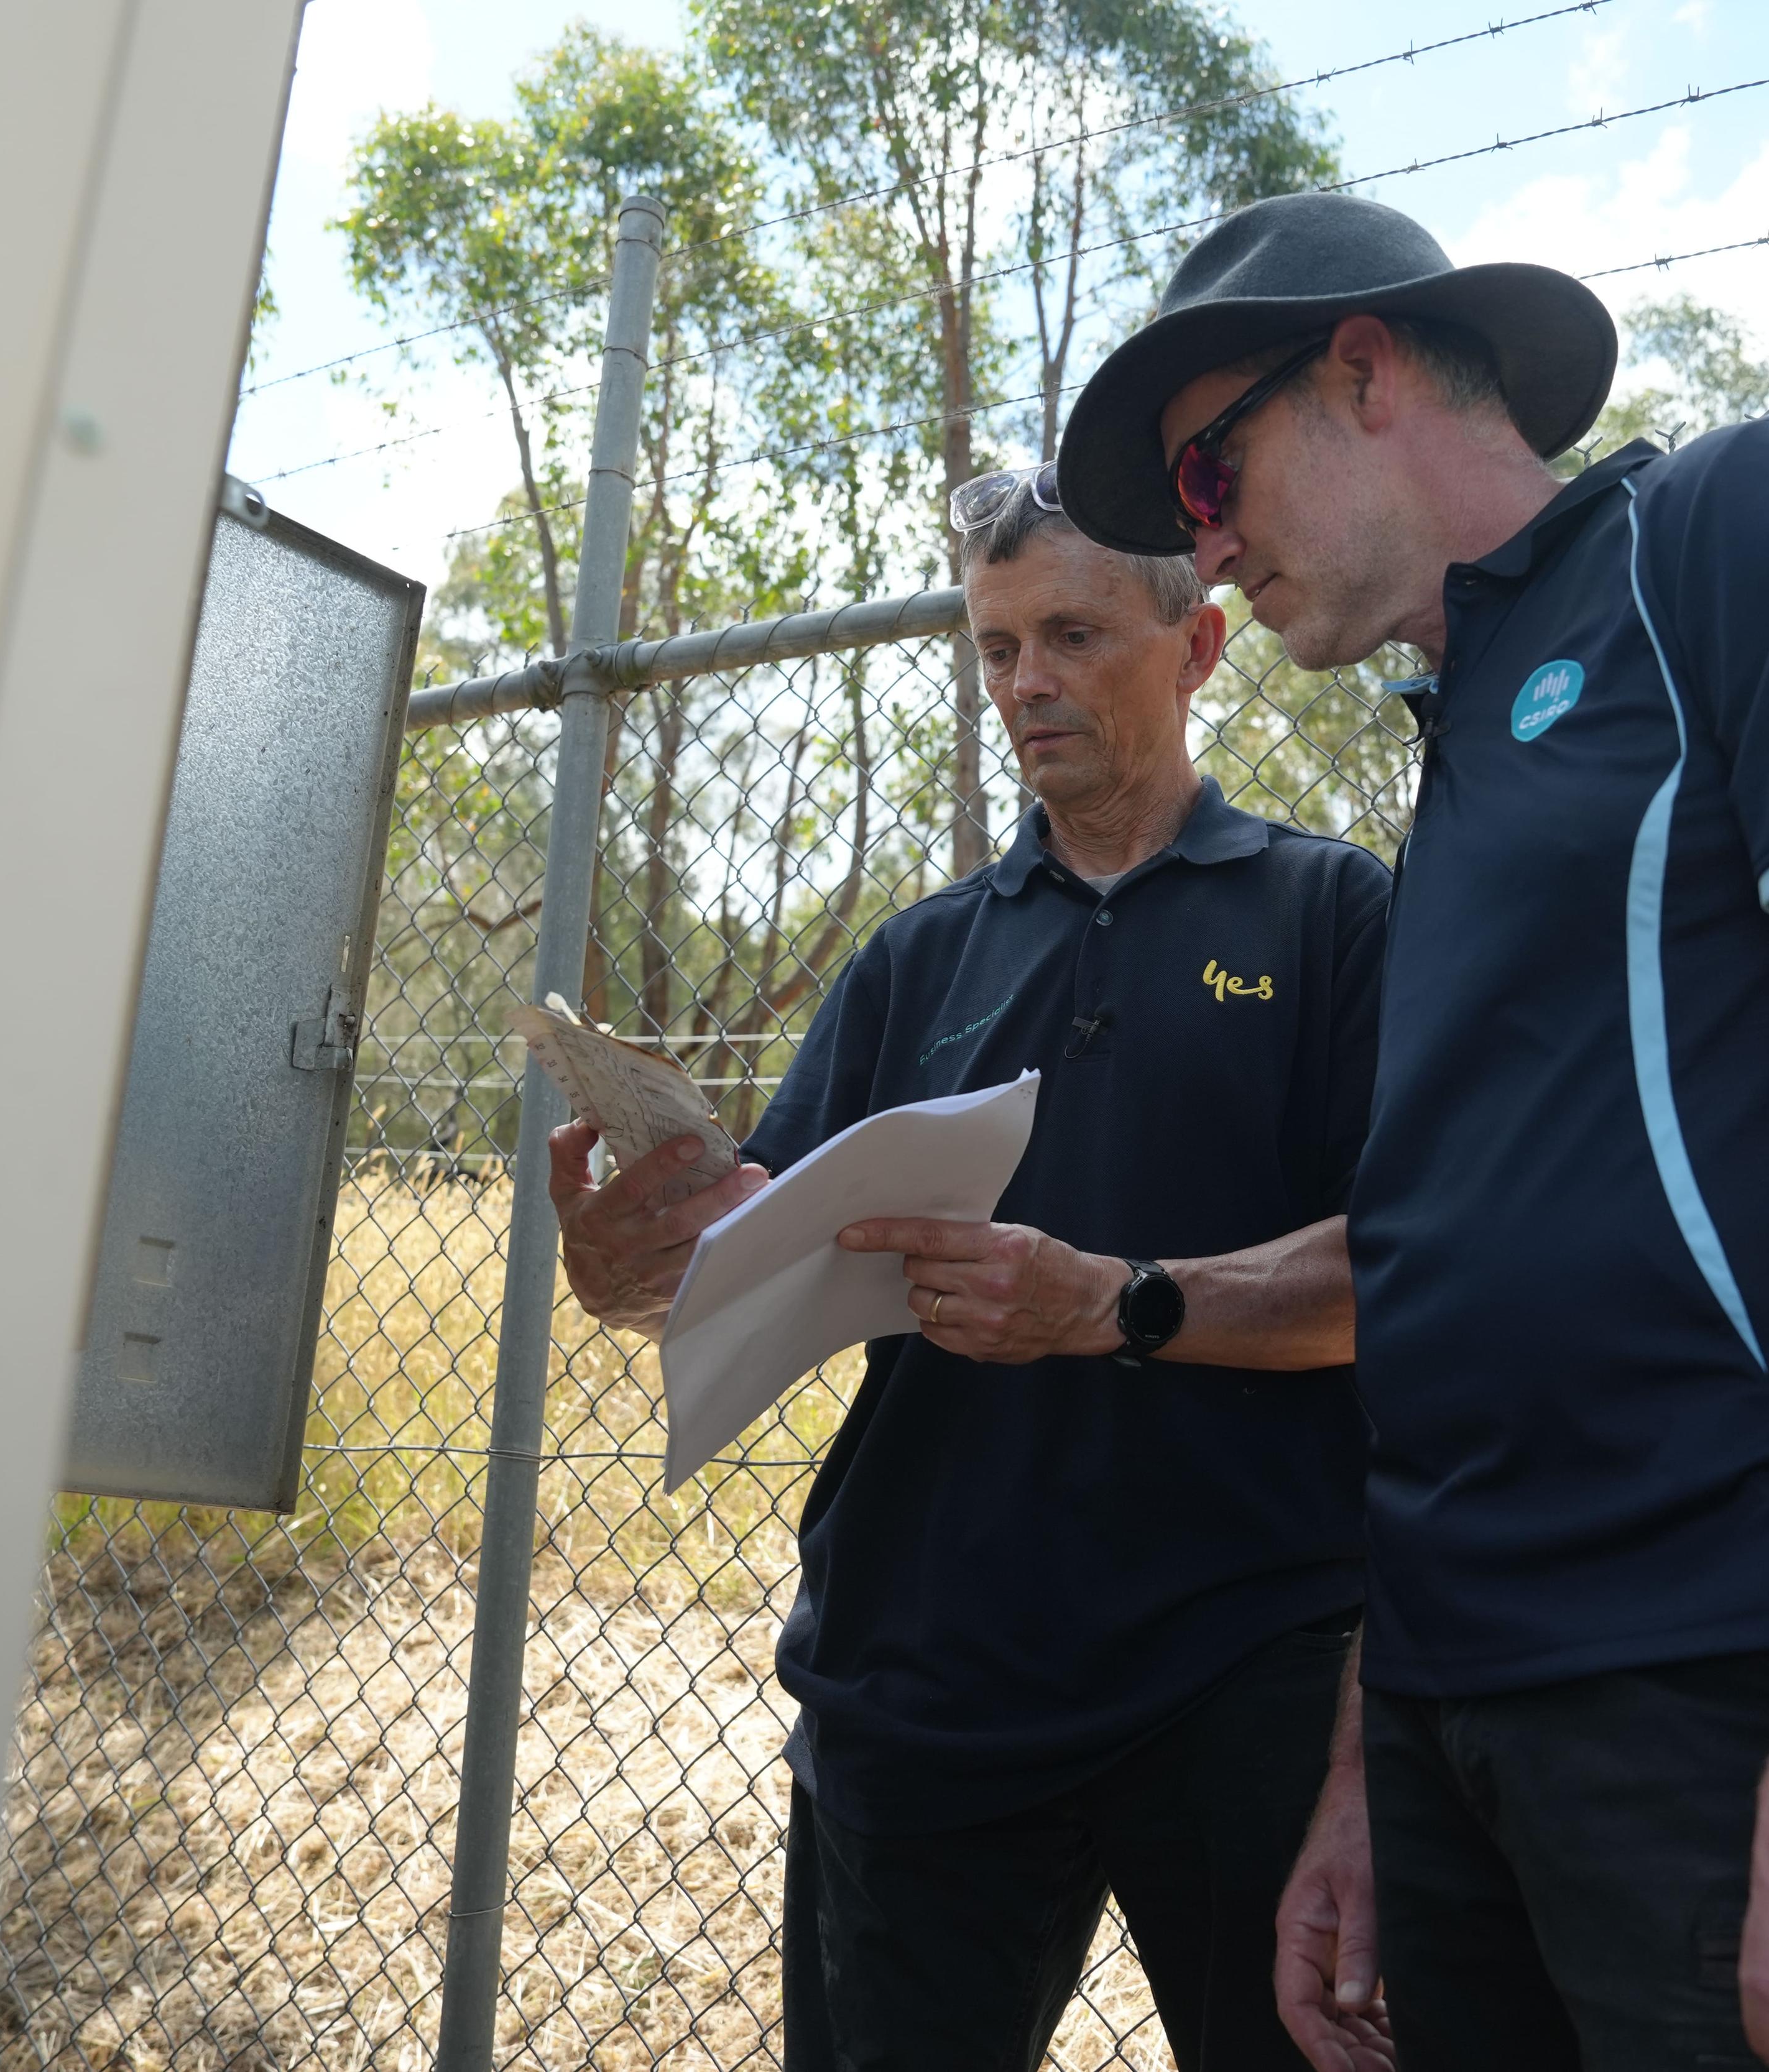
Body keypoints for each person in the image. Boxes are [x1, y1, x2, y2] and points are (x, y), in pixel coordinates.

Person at [1058, 191, 1769, 2072]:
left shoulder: (1745, 522)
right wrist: (1381, 1760)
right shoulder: (1458, 776)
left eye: (1210, 474)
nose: (1201, 550)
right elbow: (1457, 1289)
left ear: (1365, 369)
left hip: (1741, 1675)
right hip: (1464, 1717)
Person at [546, 465, 1395, 2072]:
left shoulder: (1332, 914)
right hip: (923, 1668)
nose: (1025, 686)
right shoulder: (919, 956)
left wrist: (1113, 1305)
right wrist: (630, 1261)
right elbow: (747, 1258)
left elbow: (1406, 1272)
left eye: (1072, 635)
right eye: (995, 647)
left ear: (1199, 646)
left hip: (1245, 1668)